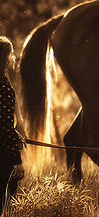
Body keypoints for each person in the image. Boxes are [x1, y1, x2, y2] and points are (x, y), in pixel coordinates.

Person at [0, 36, 24, 214]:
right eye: (11, 54)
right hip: (4, 156)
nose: (14, 57)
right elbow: (5, 127)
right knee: (6, 204)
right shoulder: (4, 89)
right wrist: (17, 162)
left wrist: (14, 133)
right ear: (3, 58)